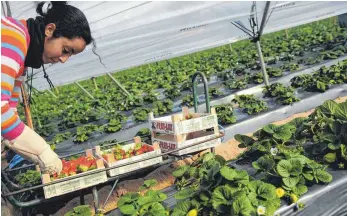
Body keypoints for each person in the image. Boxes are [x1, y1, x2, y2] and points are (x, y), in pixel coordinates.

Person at [1, 1, 97, 174]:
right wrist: (41, 151)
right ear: (49, 30)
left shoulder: (23, 61)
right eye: (66, 49)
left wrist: (30, 150)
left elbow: (10, 108)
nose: (63, 59)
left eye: (70, 55)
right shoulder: (12, 37)